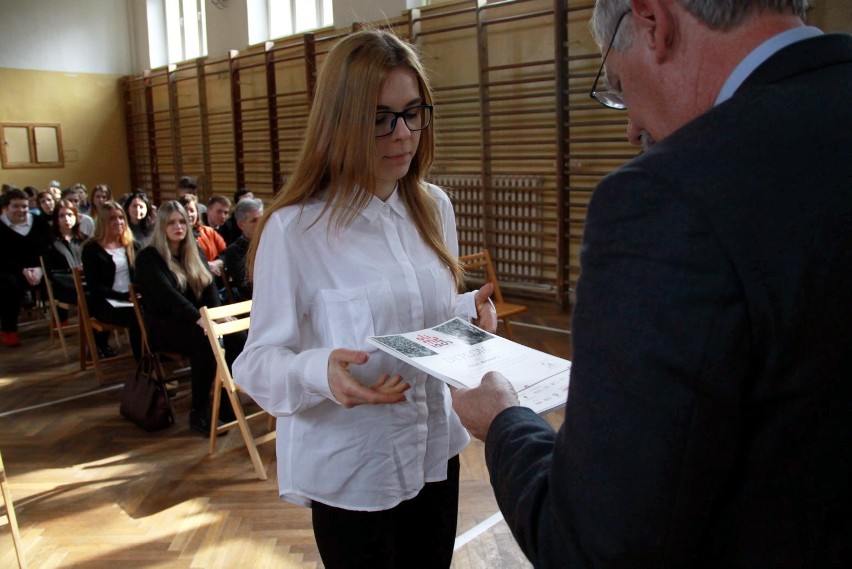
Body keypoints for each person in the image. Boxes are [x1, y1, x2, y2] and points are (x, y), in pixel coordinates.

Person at [451, 1, 852, 567]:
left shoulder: (670, 197)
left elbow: (594, 544)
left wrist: (504, 422)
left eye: (617, 86)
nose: (632, 126)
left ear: (652, 22)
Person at [232, 29, 497, 569]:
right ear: (341, 122)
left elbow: (431, 321)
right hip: (356, 470)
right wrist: (319, 372)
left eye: (412, 112)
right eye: (381, 118)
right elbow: (256, 364)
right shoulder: (295, 229)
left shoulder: (433, 205)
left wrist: (472, 321)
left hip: (435, 451)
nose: (403, 135)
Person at [135, 200, 243, 434]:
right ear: (161, 226)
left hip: (198, 321)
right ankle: (200, 411)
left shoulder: (193, 250)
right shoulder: (148, 257)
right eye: (171, 223)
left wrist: (218, 316)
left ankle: (225, 404)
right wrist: (200, 318)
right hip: (165, 326)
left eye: (182, 221)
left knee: (236, 336)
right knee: (205, 342)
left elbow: (209, 287)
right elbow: (168, 296)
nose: (178, 227)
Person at [81, 201, 142, 361]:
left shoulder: (132, 245)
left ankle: (157, 355)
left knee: (155, 310)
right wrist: (123, 296)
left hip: (131, 298)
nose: (119, 222)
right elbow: (95, 287)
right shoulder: (91, 249)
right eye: (112, 219)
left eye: (121, 218)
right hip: (105, 301)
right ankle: (142, 361)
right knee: (138, 316)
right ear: (103, 222)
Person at [0, 188, 51, 347]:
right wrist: (22, 270)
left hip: (39, 268)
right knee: (8, 285)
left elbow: (48, 248)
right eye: (16, 206)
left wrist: (40, 269)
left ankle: (61, 320)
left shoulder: (38, 222)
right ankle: (9, 330)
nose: (21, 210)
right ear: (6, 207)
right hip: (10, 270)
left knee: (56, 278)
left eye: (24, 206)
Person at [42, 198, 86, 326]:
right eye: (62, 215)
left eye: (70, 215)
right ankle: (61, 319)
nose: (66, 219)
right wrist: (73, 272)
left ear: (76, 217)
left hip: (85, 281)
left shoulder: (84, 239)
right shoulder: (49, 241)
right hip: (63, 284)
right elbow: (50, 271)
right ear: (56, 219)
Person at [217, 197, 263, 302]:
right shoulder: (234, 252)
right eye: (254, 220)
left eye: (262, 219)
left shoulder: (273, 242)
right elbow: (247, 288)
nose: (261, 224)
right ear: (241, 224)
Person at [178, 193, 226, 277]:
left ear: (197, 213)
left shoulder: (209, 232)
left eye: (192, 210)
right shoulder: (176, 236)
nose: (189, 214)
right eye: (185, 210)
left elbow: (226, 254)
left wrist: (215, 263)